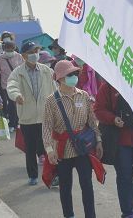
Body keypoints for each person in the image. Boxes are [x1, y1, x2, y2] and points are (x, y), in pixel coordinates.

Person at [43, 60, 103, 218]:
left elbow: (92, 121)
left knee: (87, 185)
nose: (74, 77)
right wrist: (49, 150)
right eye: (70, 74)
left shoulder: (84, 96)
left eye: (76, 73)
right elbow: (47, 127)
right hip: (62, 150)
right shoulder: (51, 100)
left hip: (83, 148)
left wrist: (98, 140)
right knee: (65, 187)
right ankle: (68, 215)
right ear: (60, 78)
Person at [94, 83, 133, 218]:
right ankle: (127, 212)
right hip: (119, 141)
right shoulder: (108, 86)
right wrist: (112, 119)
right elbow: (98, 110)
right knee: (124, 177)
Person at [7, 41, 57, 185]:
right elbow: (12, 86)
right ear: (23, 56)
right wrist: (16, 95)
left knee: (48, 146)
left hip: (45, 116)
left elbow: (55, 89)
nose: (35, 55)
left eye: (36, 51)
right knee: (30, 148)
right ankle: (33, 175)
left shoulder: (47, 71)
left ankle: (53, 175)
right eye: (31, 52)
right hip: (27, 117)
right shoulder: (18, 72)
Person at [0, 40, 24, 131]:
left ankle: (17, 122)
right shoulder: (0, 57)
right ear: (4, 49)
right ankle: (12, 123)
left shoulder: (19, 56)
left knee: (17, 104)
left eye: (11, 50)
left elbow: (23, 68)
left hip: (18, 84)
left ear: (14, 48)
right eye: (7, 50)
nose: (9, 52)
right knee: (11, 104)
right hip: (6, 85)